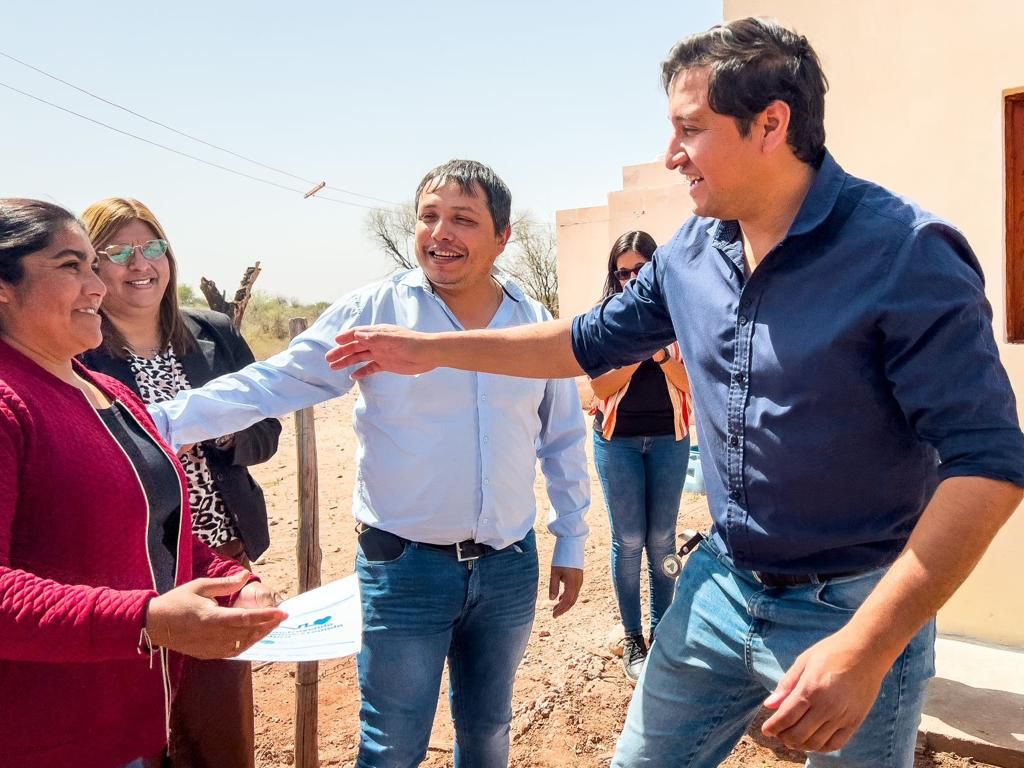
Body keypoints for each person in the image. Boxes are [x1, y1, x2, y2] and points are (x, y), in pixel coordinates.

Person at [326, 18, 1024, 767]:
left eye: (690, 129)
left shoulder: (905, 252)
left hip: (853, 606)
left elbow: (988, 466)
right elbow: (582, 342)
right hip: (719, 587)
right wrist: (429, 349)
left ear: (771, 124)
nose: (671, 154)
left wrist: (869, 645)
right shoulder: (691, 251)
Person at [145, 160, 591, 768]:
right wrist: (151, 423)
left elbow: (562, 437)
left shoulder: (532, 324)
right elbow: (275, 382)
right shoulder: (376, 313)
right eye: (429, 217)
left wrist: (571, 538)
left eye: (463, 219)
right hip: (405, 568)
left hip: (508, 565)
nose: (441, 233)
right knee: (391, 745)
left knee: (488, 730)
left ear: (502, 237)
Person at [0, 198, 287, 768]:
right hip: (48, 737)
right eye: (71, 266)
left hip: (135, 721)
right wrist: (147, 620)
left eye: (92, 264)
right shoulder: (10, 404)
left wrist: (231, 578)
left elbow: (163, 532)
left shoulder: (110, 394)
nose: (97, 286)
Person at [588, 230, 690, 682]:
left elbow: (691, 384)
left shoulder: (681, 314)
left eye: (640, 270)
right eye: (622, 272)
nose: (631, 280)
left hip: (669, 439)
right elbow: (599, 386)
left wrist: (662, 353)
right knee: (628, 541)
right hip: (618, 442)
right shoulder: (605, 320)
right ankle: (633, 637)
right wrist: (636, 350)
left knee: (663, 539)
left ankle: (662, 635)